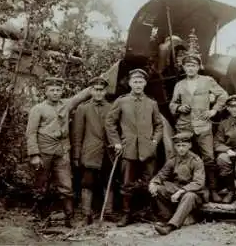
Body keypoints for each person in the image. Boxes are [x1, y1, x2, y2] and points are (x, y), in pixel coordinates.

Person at [26, 77, 92, 227]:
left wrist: (102, 79)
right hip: (44, 151)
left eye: (58, 90)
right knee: (41, 185)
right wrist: (34, 155)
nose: (56, 93)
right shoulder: (38, 109)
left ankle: (69, 217)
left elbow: (81, 96)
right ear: (46, 92)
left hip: (62, 151)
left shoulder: (66, 104)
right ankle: (41, 216)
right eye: (52, 90)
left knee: (66, 184)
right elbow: (30, 133)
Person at [105, 68, 164, 227]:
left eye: (141, 82)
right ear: (130, 83)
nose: (138, 84)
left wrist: (154, 142)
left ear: (145, 84)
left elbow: (159, 125)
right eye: (135, 82)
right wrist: (117, 142)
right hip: (128, 148)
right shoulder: (122, 101)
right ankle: (126, 214)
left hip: (148, 149)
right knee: (126, 183)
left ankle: (148, 211)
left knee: (150, 181)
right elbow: (110, 122)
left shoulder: (151, 103)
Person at [169, 54, 228, 203]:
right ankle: (191, 192)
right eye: (187, 66)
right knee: (186, 158)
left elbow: (223, 95)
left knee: (208, 158)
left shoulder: (207, 81)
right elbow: (172, 105)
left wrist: (214, 110)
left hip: (203, 126)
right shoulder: (179, 85)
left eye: (193, 65)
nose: (190, 68)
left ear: (198, 67)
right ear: (184, 68)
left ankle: (213, 190)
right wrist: (179, 107)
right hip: (185, 127)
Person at [72, 77, 114, 225]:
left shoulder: (112, 107)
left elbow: (115, 130)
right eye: (95, 89)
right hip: (89, 152)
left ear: (105, 91)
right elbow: (77, 133)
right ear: (90, 91)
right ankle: (86, 214)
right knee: (87, 183)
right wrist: (77, 155)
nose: (98, 93)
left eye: (101, 90)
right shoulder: (83, 108)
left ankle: (108, 212)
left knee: (108, 181)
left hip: (108, 152)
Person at [149, 131, 206, 235]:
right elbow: (162, 175)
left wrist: (181, 191)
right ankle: (166, 217)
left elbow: (198, 183)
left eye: (184, 145)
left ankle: (171, 226)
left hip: (194, 194)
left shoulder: (196, 161)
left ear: (190, 145)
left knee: (189, 196)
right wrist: (153, 183)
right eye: (178, 145)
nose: (181, 148)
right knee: (158, 189)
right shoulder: (173, 160)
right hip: (177, 190)